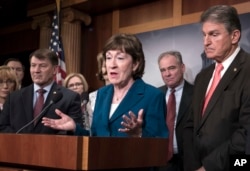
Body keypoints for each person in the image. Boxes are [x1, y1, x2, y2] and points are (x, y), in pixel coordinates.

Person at [42, 33, 168, 138]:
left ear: (135, 64)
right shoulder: (102, 94)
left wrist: (139, 134)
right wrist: (75, 128)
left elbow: (160, 145)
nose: (111, 64)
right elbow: (95, 138)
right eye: (108, 58)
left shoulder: (152, 96)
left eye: (120, 58)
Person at [183, 5, 250, 171]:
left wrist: (209, 167)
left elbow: (246, 133)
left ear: (234, 36)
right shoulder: (202, 77)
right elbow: (191, 125)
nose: (206, 42)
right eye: (204, 35)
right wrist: (194, 165)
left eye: (214, 34)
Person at [0, 48, 82, 134]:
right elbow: (2, 126)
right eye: (33, 65)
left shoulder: (69, 97)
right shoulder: (14, 97)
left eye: (42, 66)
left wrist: (73, 128)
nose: (36, 70)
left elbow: (75, 131)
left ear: (54, 70)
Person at [157, 51, 193, 171]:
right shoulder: (155, 95)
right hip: (161, 162)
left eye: (171, 68)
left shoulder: (197, 93)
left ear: (182, 68)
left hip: (189, 161)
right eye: (163, 70)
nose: (167, 74)